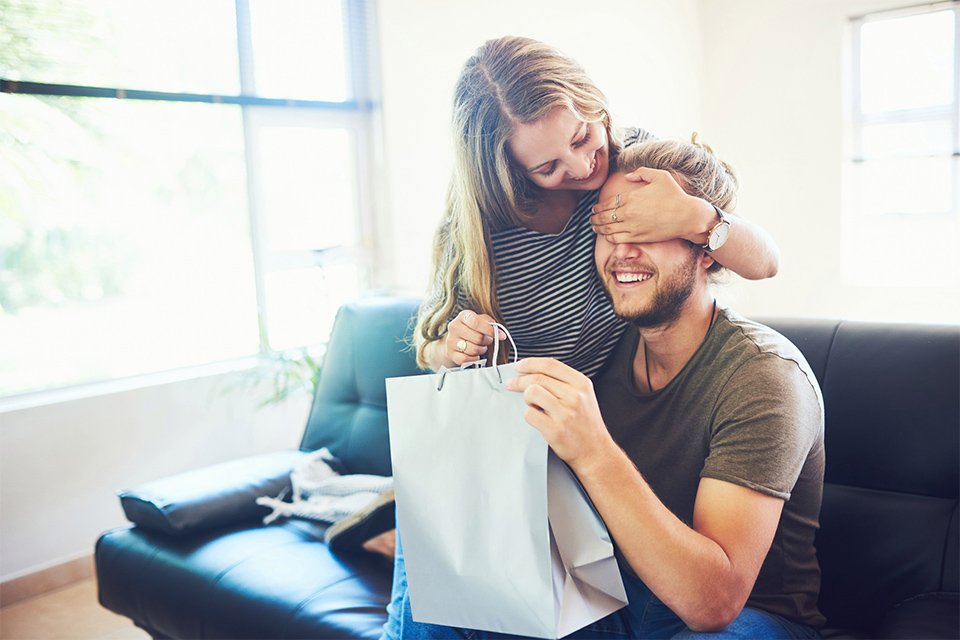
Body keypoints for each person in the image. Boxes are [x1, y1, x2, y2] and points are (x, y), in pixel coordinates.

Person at [339, 34, 782, 560]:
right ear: (508, 172)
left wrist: (696, 216)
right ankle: (397, 521)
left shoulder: (629, 163)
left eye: (581, 137)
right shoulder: (478, 230)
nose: (581, 168)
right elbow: (430, 346)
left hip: (589, 428)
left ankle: (398, 521)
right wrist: (453, 347)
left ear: (592, 102)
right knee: (446, 567)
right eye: (546, 168)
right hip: (510, 435)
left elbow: (764, 263)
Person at [385, 138, 825, 639]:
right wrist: (455, 350)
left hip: (744, 615)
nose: (622, 251)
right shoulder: (602, 346)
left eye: (644, 230)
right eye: (607, 231)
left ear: (707, 251)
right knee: (451, 602)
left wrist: (593, 450)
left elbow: (713, 604)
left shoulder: (763, 375)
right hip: (613, 591)